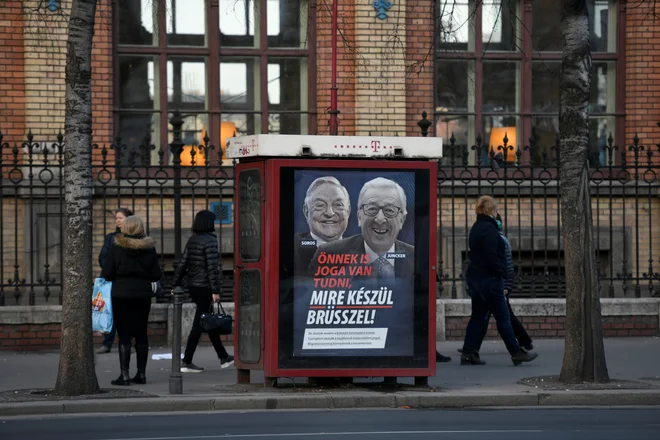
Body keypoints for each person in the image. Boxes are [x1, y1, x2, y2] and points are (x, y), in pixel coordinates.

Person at [460, 196, 538, 366]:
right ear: (492, 211)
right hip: (490, 280)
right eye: (496, 209)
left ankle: (468, 352)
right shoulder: (491, 230)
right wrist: (500, 272)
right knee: (503, 317)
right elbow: (492, 257)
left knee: (478, 316)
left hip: (475, 279)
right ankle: (515, 351)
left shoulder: (476, 228)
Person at [310, 177, 414, 279]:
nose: (380, 219)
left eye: (390, 210)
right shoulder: (327, 254)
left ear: (402, 220)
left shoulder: (416, 258)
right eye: (372, 209)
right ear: (359, 216)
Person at [101, 216, 162, 385]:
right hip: (142, 295)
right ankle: (141, 374)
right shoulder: (149, 249)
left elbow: (107, 274)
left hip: (121, 295)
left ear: (125, 228)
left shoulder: (116, 248)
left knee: (124, 335)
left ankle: (125, 375)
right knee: (141, 333)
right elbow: (156, 274)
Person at [173, 210, 234, 373]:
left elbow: (182, 264)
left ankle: (223, 357)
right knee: (199, 324)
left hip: (194, 286)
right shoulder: (211, 241)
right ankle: (187, 361)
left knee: (206, 319)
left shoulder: (192, 240)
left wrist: (175, 284)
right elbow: (212, 267)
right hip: (205, 287)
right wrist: (215, 290)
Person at [294, 177, 350, 275]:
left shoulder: (364, 249)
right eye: (320, 205)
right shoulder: (292, 248)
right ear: (306, 212)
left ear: (348, 211)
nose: (330, 213)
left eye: (338, 205)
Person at [96, 207, 133, 354]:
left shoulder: (134, 238)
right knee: (107, 311)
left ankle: (128, 341)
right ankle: (107, 342)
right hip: (110, 279)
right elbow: (102, 257)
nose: (117, 220)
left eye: (121, 218)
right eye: (116, 218)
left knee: (126, 312)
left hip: (126, 280)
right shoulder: (111, 237)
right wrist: (111, 272)